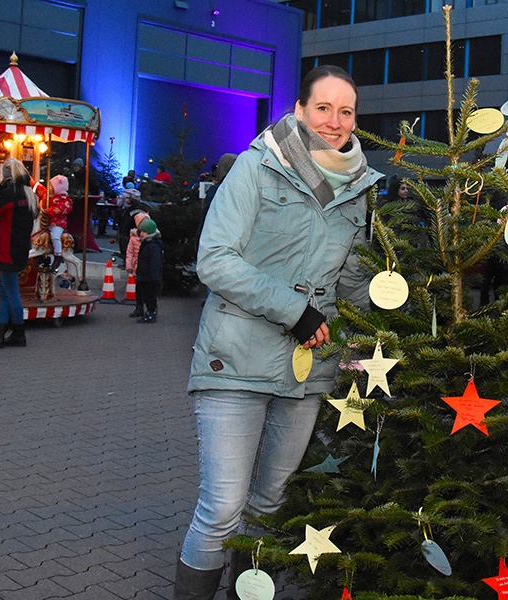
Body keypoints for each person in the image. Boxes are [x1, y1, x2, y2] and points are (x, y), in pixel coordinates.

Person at [174, 64, 381, 600]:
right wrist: (297, 312)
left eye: (346, 111)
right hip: (236, 359)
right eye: (323, 108)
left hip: (309, 372)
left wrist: (395, 319)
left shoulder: (359, 186)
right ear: (298, 110)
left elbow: (352, 278)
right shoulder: (257, 167)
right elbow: (215, 260)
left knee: (269, 503)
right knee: (222, 508)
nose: (335, 122)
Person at [0, 158, 38, 348]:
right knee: (4, 290)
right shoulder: (28, 194)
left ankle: (17, 330)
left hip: (7, 248)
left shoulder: (10, 194)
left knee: (11, 292)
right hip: (20, 248)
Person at [133, 217, 163, 323]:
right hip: (146, 276)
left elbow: (154, 263)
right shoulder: (148, 244)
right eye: (141, 231)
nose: (141, 234)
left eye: (144, 232)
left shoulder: (152, 246)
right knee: (147, 296)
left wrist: (152, 276)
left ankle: (151, 313)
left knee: (150, 296)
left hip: (150, 277)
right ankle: (150, 312)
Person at [42, 174, 73, 271]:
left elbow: (60, 209)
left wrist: (47, 211)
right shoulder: (51, 197)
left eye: (51, 186)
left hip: (58, 223)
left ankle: (58, 254)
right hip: (49, 222)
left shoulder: (64, 200)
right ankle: (42, 256)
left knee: (55, 236)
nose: (49, 188)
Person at [125, 209, 151, 317]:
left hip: (148, 267)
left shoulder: (151, 238)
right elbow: (129, 253)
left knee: (149, 289)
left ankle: (151, 308)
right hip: (137, 266)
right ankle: (139, 307)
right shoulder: (134, 238)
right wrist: (129, 265)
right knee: (139, 288)